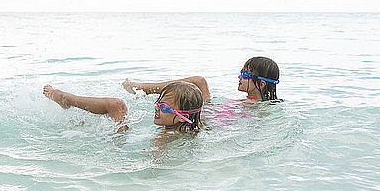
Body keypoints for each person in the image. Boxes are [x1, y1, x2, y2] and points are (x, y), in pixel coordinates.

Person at [43, 81, 203, 133]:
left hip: (123, 142)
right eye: (158, 102)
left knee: (115, 105)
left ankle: (67, 100)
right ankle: (141, 87)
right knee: (199, 81)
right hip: (136, 136)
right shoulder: (191, 125)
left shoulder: (163, 138)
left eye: (164, 107)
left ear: (185, 117)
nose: (156, 108)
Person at [122, 56, 280, 102]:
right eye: (241, 72)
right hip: (212, 115)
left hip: (209, 118)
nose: (239, 76)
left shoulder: (257, 106)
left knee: (199, 81)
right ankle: (140, 89)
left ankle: (139, 88)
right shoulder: (252, 102)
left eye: (245, 74)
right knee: (198, 82)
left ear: (262, 83)